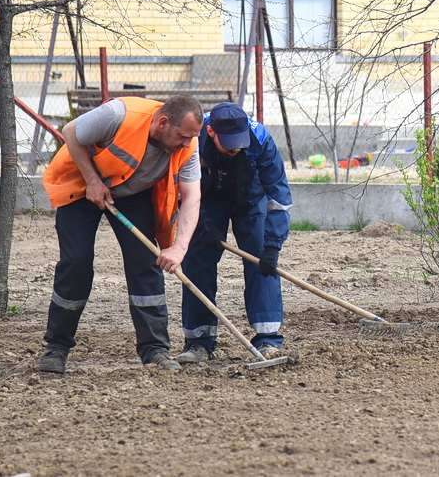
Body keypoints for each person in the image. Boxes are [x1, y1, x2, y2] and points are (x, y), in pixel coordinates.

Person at [38, 95, 204, 374]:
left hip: (133, 194)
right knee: (76, 263)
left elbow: (192, 197)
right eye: (183, 136)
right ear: (163, 123)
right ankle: (56, 346)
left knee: (146, 264)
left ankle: (155, 350)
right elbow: (70, 133)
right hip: (80, 186)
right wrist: (92, 181)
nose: (187, 144)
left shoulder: (189, 146)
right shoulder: (118, 115)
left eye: (191, 138)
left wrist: (179, 248)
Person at [176, 102, 292, 364]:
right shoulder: (193, 138)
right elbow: (179, 188)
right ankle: (199, 341)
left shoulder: (260, 139)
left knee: (262, 262)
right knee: (197, 262)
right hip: (204, 200)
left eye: (239, 141)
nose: (236, 147)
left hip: (250, 201)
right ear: (211, 132)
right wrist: (204, 225)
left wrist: (272, 244)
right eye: (228, 143)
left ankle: (268, 339)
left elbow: (279, 196)